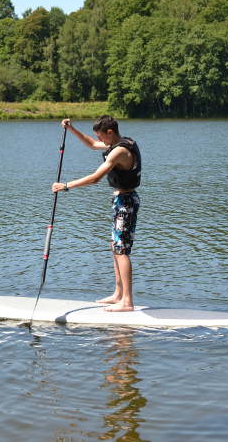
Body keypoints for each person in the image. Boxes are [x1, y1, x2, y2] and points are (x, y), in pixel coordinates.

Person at [51, 115, 141, 312]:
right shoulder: (118, 143)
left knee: (122, 250)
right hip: (121, 201)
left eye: (101, 136)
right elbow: (92, 144)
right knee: (114, 246)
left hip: (126, 203)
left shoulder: (119, 151)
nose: (100, 141)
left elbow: (95, 178)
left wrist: (65, 186)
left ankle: (127, 301)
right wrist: (72, 129)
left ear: (110, 132)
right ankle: (118, 294)